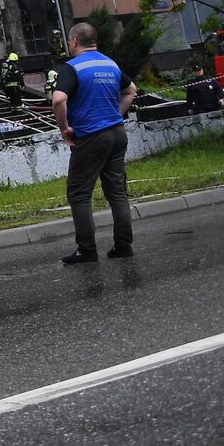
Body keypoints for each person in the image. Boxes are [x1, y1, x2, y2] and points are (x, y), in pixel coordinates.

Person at [51, 22, 138, 264]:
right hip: (117, 133)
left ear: (75, 41)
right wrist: (116, 114)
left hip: (90, 136)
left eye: (70, 41)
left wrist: (64, 127)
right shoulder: (110, 64)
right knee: (117, 192)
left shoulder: (72, 68)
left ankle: (86, 250)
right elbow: (131, 90)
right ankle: (123, 246)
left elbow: (58, 100)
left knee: (79, 193)